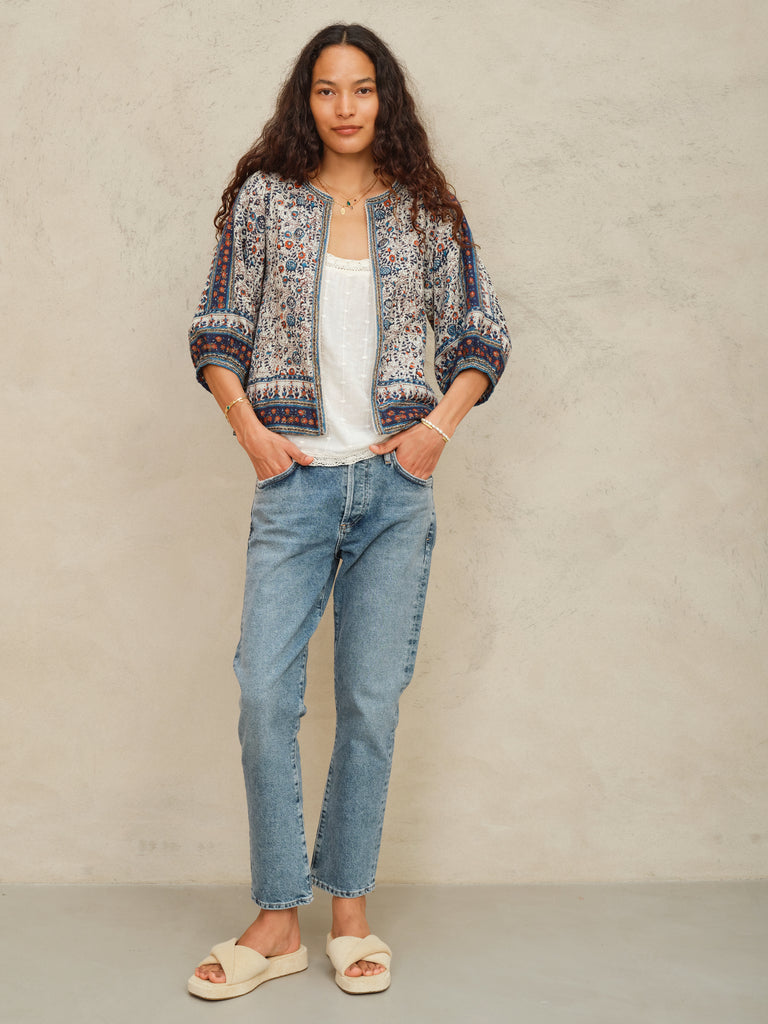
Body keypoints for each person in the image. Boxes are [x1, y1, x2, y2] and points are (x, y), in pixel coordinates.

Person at [186, 23, 510, 1000]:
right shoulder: (265, 200)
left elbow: (481, 333)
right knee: (263, 695)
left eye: (361, 88)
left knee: (369, 703)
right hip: (294, 484)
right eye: (326, 90)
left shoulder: (427, 210)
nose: (344, 107)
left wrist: (435, 432)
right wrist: (249, 431)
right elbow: (216, 329)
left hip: (394, 491)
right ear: (306, 101)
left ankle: (351, 912)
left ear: (384, 98)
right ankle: (278, 916)